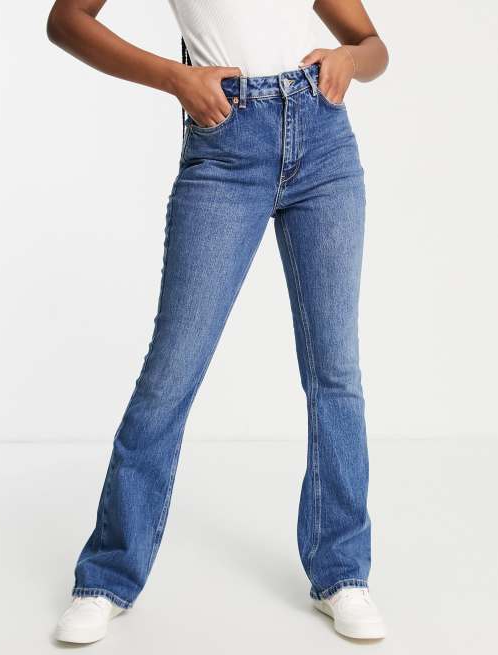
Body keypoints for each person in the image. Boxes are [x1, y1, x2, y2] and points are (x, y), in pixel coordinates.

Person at [46, 0, 389, 644]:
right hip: (227, 146)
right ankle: (107, 577)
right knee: (169, 376)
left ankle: (342, 573)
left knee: (336, 374)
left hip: (325, 144)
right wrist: (176, 78)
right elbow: (66, 20)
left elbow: (373, 45)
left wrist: (349, 59)